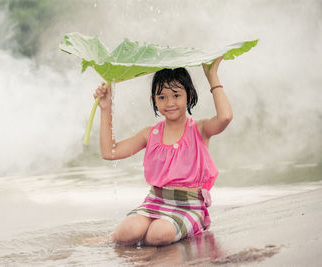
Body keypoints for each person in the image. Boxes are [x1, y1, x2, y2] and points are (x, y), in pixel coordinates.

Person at [93, 56, 232, 246]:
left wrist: (212, 76)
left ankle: (186, 232)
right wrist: (106, 108)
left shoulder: (199, 130)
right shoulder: (150, 134)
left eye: (176, 95)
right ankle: (113, 238)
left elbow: (225, 117)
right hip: (155, 201)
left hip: (189, 206)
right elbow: (110, 152)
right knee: (127, 232)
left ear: (189, 95)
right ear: (154, 101)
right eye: (162, 97)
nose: (169, 103)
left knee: (157, 234)